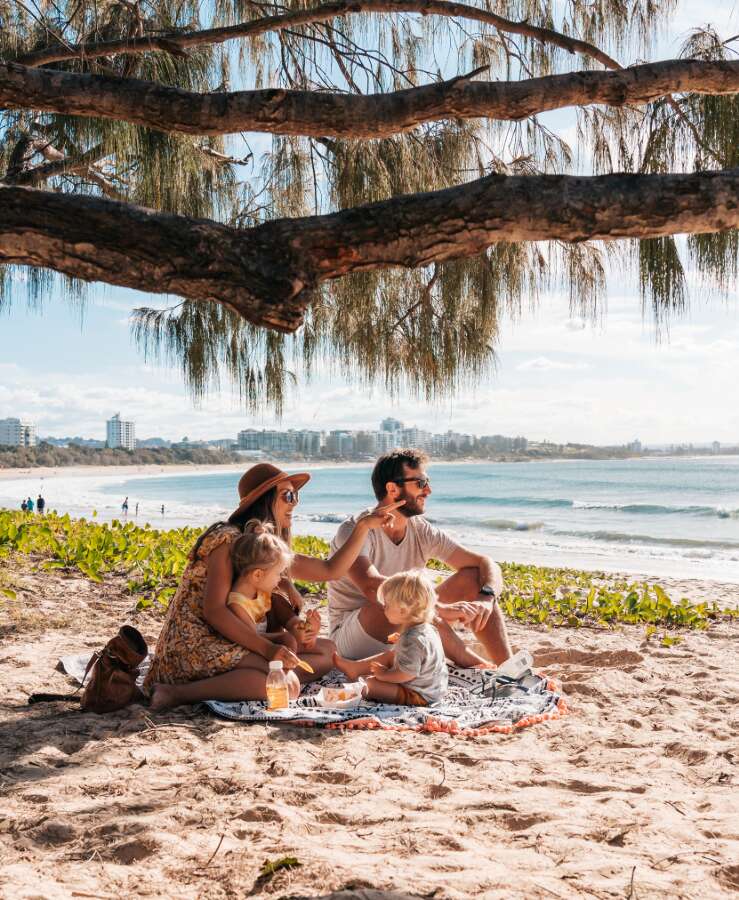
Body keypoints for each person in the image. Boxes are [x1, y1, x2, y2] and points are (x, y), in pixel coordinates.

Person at [145, 463, 403, 710]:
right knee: (285, 686)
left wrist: (364, 527)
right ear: (264, 500)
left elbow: (330, 571)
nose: (294, 503)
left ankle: (243, 680)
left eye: (295, 496)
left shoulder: (268, 549)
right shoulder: (226, 539)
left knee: (328, 652)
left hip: (234, 638)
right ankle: (177, 693)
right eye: (287, 496)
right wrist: (268, 650)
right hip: (197, 645)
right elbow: (214, 612)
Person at [328, 448, 513, 667]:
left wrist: (486, 598)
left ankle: (509, 668)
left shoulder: (421, 530)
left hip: (408, 622)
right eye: (421, 483)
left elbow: (485, 563)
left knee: (474, 577)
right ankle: (477, 665)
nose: (429, 491)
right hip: (355, 637)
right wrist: (439, 608)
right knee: (390, 599)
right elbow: (372, 587)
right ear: (392, 489)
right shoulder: (355, 529)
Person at [334, 570, 447, 706]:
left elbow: (407, 674)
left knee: (370, 683)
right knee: (391, 654)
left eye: (387, 604)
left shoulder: (411, 639)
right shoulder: (427, 629)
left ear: (403, 610)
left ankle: (357, 687)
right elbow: (421, 652)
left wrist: (384, 675)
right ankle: (354, 668)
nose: (383, 608)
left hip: (418, 695)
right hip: (434, 690)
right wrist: (401, 641)